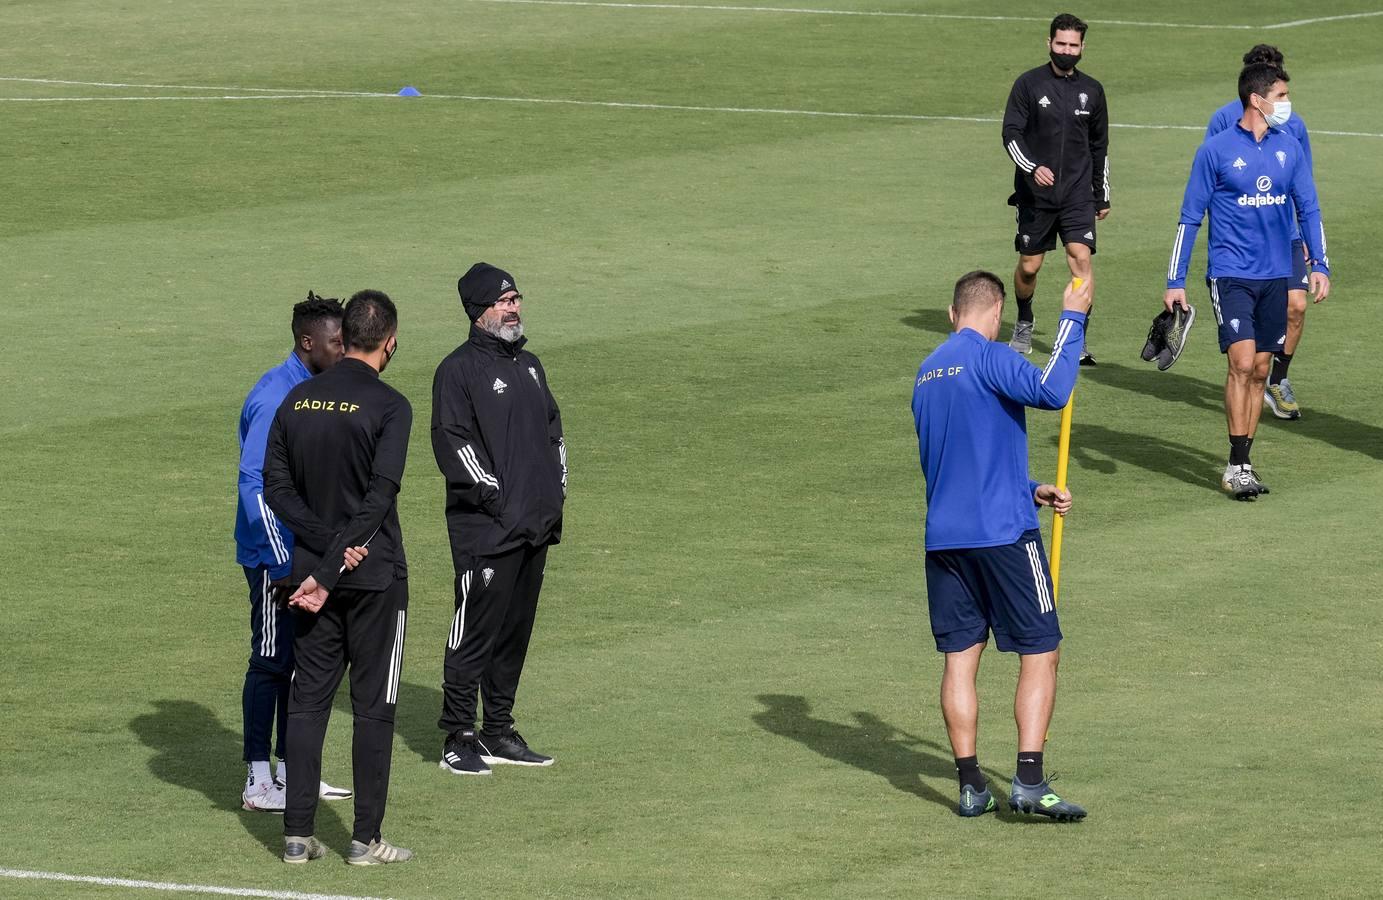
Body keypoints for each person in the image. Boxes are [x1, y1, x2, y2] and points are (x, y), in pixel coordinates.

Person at [911, 270, 1090, 821]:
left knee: (960, 660)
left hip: (944, 542)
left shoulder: (925, 374)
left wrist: (1029, 487)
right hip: (1005, 537)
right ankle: (1030, 780)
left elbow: (962, 458)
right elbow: (1054, 391)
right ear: (995, 315)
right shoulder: (991, 357)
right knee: (1041, 649)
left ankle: (970, 786)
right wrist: (1073, 316)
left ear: (952, 312)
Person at [264, 290, 414, 866]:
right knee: (374, 707)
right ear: (390, 341)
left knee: (307, 705)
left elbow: (275, 488)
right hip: (374, 576)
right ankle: (364, 840)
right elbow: (380, 497)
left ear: (344, 336)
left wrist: (322, 558)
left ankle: (297, 837)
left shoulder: (297, 400)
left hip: (307, 583)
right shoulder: (392, 406)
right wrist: (340, 557)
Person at [1165, 62, 1330, 500]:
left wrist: (1321, 266)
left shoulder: (1288, 148)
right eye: (1281, 96)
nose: (1287, 104)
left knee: (1260, 369)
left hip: (1277, 274)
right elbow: (1189, 217)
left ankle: (1244, 460)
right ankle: (1235, 465)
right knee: (1240, 362)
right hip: (1231, 273)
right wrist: (1175, 279)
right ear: (1257, 99)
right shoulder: (1215, 151)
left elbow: (1309, 209)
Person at [432, 263, 567, 776]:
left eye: (516, 298)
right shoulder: (458, 370)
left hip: (534, 525)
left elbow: (554, 432)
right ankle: (458, 735)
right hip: (486, 530)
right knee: (474, 632)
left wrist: (554, 492)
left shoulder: (530, 365)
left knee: (515, 632)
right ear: (478, 310)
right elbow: (452, 441)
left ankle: (498, 730)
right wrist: (496, 497)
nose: (514, 308)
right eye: (504, 301)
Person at [233, 293, 352, 812]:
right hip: (271, 555)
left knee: (303, 663)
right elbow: (253, 484)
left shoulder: (314, 389)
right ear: (308, 343)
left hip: (301, 554)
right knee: (270, 660)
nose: (346, 350)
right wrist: (282, 560)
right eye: (337, 342)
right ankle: (259, 779)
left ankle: (293, 772)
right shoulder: (274, 395)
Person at [1206, 45, 1319, 420]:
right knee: (1246, 352)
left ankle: (1278, 378)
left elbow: (1305, 191)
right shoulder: (1222, 121)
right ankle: (1255, 377)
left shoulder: (1295, 125)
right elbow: (1211, 182)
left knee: (1298, 305)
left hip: (1284, 236)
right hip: (1242, 245)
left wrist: (1310, 244)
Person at [1001, 12, 1109, 364]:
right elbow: (1011, 134)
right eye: (1060, 43)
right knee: (1030, 267)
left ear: (1082, 47)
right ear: (1049, 43)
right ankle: (1024, 320)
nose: (1066, 50)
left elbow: (1099, 146)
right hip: (1036, 195)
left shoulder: (1092, 90)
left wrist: (1101, 193)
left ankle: (1076, 339)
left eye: (1073, 45)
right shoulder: (1028, 85)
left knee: (1080, 258)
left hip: (1078, 195)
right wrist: (1032, 168)